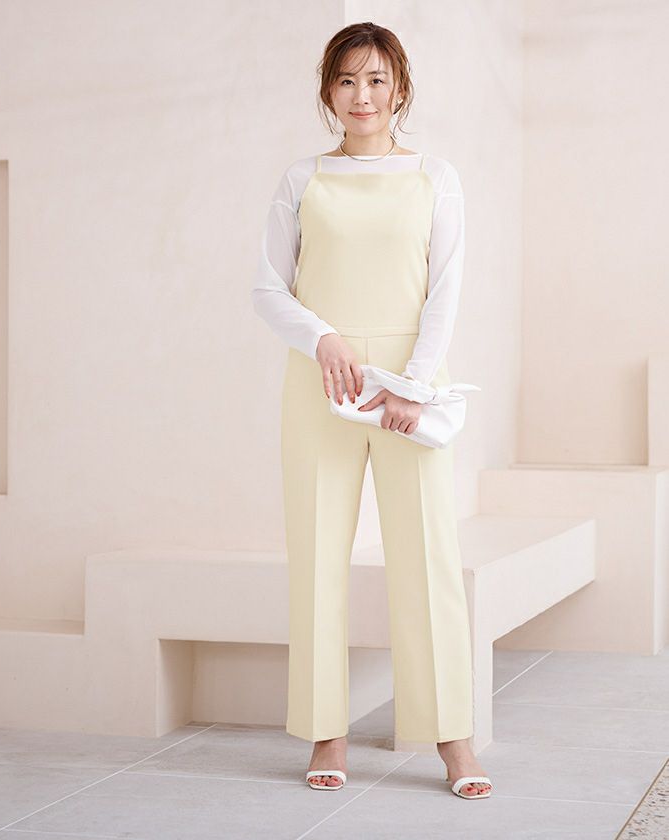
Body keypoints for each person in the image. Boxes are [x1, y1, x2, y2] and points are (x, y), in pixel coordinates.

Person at [251, 21, 492, 800]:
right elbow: (267, 288)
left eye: (377, 80)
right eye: (348, 80)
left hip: (409, 383)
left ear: (401, 89)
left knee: (427, 557)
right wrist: (321, 337)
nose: (363, 95)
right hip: (321, 382)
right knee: (318, 554)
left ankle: (453, 739)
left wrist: (413, 386)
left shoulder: (435, 178)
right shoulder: (302, 178)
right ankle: (327, 730)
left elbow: (445, 289)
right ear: (328, 91)